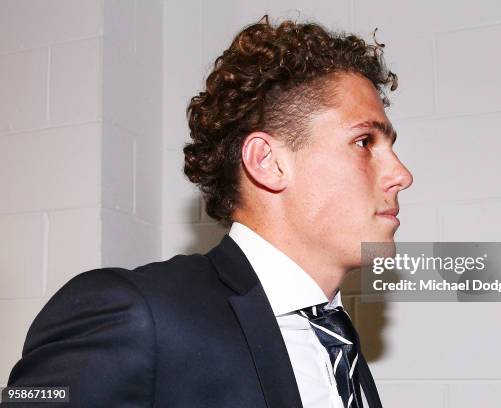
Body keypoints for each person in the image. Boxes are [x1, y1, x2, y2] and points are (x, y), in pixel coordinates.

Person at [3, 15, 412, 407]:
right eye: (364, 143)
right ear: (267, 161)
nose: (401, 174)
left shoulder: (336, 338)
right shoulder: (136, 314)